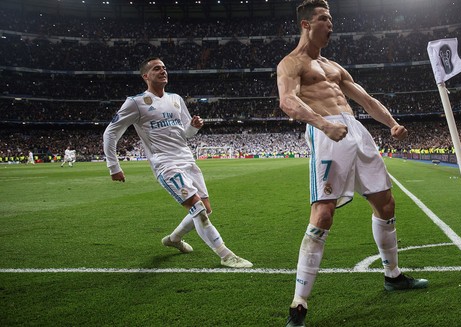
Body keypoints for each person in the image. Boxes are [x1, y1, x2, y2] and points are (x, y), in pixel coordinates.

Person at [276, 1, 427, 325]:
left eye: (331, 18)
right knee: (324, 213)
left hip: (356, 130)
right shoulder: (291, 63)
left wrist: (391, 123)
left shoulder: (334, 66)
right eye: (323, 19)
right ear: (305, 24)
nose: (330, 24)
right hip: (327, 131)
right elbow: (287, 101)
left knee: (386, 205)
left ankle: (393, 276)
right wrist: (323, 124)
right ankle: (298, 304)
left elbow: (366, 100)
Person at [102, 57, 252, 268]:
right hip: (165, 163)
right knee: (197, 208)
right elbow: (111, 133)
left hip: (187, 159)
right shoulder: (135, 103)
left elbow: (186, 134)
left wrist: (194, 126)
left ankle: (174, 239)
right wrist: (114, 166)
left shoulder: (176, 99)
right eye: (156, 69)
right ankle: (226, 254)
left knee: (206, 209)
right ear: (146, 76)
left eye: (164, 68)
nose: (163, 71)